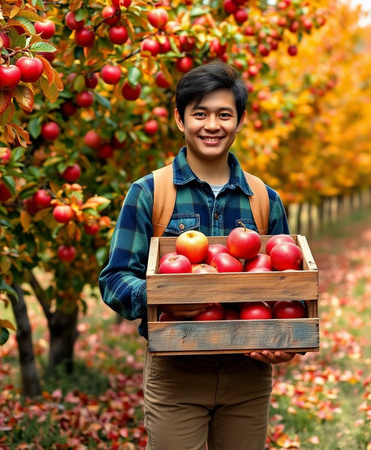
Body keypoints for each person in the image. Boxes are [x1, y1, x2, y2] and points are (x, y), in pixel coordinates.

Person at [99, 60, 297, 450]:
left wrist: (283, 339)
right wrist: (163, 295)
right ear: (179, 119)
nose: (212, 125)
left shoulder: (263, 198)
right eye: (200, 114)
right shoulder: (149, 193)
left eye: (224, 114)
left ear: (240, 121)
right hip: (177, 371)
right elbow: (115, 280)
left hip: (248, 373)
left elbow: (284, 284)